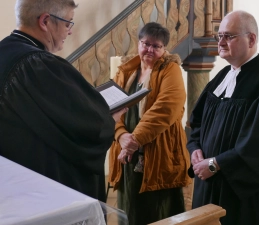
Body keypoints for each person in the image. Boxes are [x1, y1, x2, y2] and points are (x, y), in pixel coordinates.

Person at [0, 0, 119, 202]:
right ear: (45, 21)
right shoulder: (38, 66)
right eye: (68, 23)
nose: (70, 31)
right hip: (45, 194)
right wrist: (110, 118)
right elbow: (91, 125)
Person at [187, 10, 259, 225]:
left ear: (251, 39)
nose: (221, 42)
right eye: (220, 36)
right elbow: (196, 121)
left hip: (242, 193)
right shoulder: (222, 77)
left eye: (229, 36)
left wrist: (215, 164)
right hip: (209, 181)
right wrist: (195, 148)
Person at [107, 22, 192, 225]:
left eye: (157, 46)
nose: (150, 50)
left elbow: (165, 109)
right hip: (127, 152)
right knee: (130, 207)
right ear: (138, 43)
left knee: (158, 209)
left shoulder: (170, 69)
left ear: (164, 49)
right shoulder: (126, 71)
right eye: (146, 44)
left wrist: (134, 139)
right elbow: (112, 108)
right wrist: (121, 135)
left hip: (158, 151)